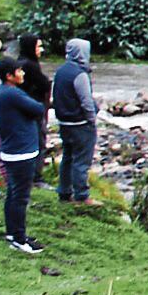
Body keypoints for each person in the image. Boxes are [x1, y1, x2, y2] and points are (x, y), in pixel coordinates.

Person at [0, 58, 45, 254]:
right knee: (21, 197)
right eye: (19, 71)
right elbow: (38, 109)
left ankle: (12, 232)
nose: (23, 74)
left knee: (13, 195)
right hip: (21, 153)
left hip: (12, 150)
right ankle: (20, 239)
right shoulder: (12, 94)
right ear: (9, 76)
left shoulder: (2, 92)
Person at [52, 38, 98, 203]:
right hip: (80, 124)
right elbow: (86, 101)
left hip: (64, 123)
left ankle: (64, 192)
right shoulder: (80, 74)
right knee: (81, 161)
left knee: (67, 157)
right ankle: (82, 195)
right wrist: (92, 120)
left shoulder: (61, 71)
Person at [15, 35, 50, 108]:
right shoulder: (30, 65)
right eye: (38, 47)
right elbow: (44, 85)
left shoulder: (20, 61)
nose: (41, 49)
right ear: (31, 47)